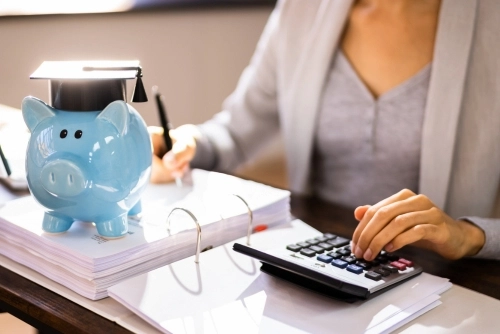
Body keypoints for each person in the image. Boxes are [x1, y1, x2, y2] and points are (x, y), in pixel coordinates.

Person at [150, 0, 500, 261]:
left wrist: (468, 235)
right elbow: (237, 132)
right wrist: (189, 143)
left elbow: (472, 238)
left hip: (444, 282)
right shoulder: (303, 11)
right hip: (322, 262)